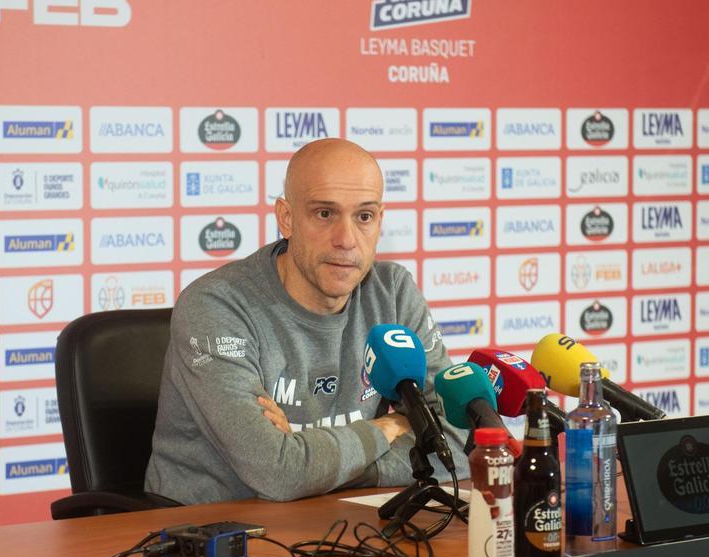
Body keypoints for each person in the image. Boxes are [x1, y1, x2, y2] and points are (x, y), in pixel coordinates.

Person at [144, 138, 467, 504]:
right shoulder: (216, 305)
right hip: (211, 537)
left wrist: (315, 465)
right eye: (324, 214)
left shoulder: (392, 293)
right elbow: (276, 471)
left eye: (364, 216)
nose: (346, 240)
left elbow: (458, 442)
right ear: (286, 218)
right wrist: (392, 426)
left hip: (335, 525)